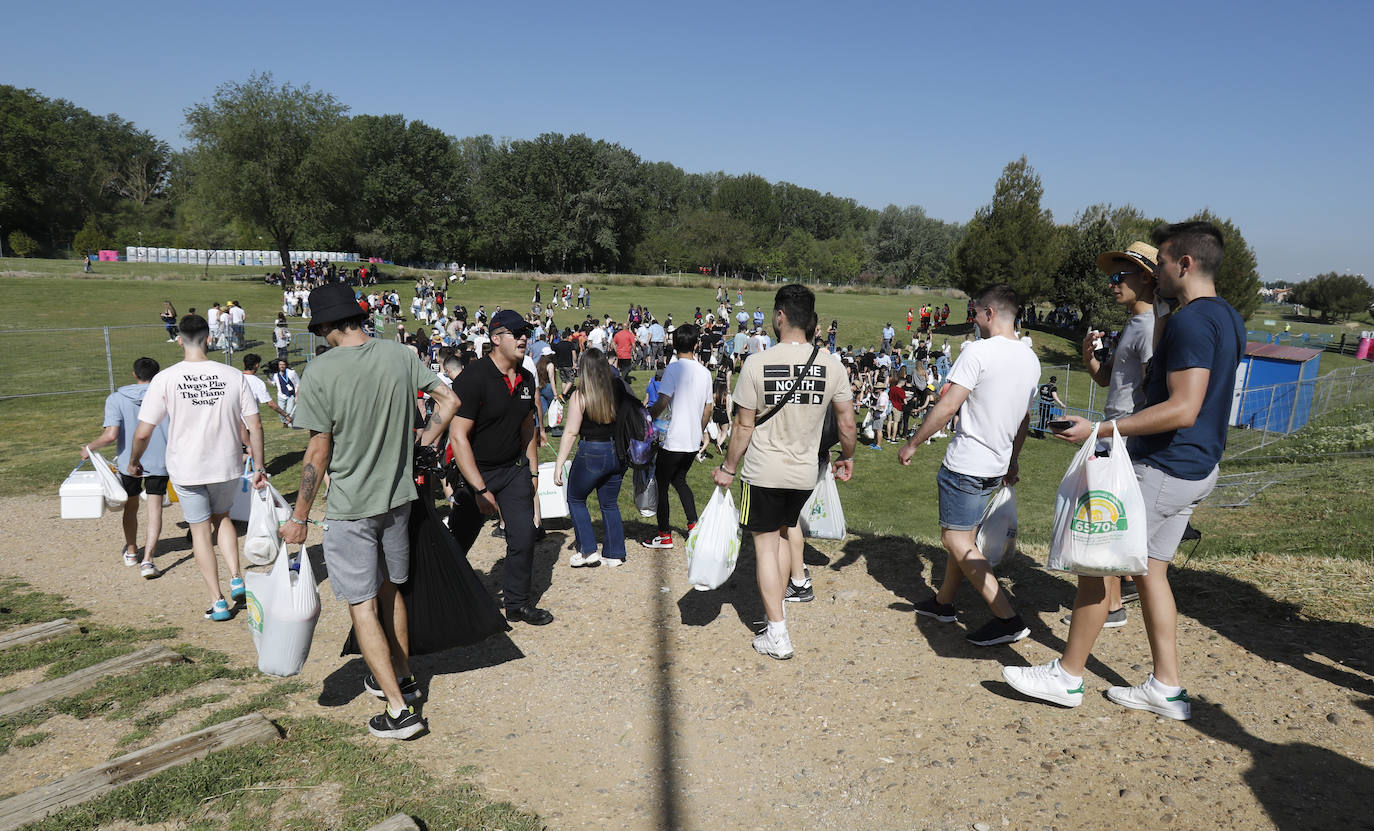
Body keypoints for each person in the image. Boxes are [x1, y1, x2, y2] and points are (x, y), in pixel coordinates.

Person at [1003, 221, 1245, 721]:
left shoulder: (1191, 322)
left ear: (1185, 264)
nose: (1156, 271)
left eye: (1161, 262)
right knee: (1152, 571)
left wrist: (1102, 430)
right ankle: (1166, 686)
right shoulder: (1227, 317)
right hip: (1197, 467)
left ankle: (1067, 678)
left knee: (1097, 564)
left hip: (1164, 465)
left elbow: (1183, 408)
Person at [283, 281, 458, 740]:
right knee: (391, 591)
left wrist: (298, 517)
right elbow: (450, 400)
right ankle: (402, 678)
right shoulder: (400, 354)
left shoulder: (319, 371)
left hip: (350, 508)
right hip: (398, 500)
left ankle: (400, 713)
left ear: (324, 326)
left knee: (362, 606)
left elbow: (317, 453)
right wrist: (425, 441)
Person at [713, 285, 857, 660]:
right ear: (811, 320)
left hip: (763, 472)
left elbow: (743, 426)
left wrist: (729, 467)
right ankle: (774, 614)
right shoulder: (832, 364)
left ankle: (777, 632)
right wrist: (848, 457)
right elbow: (847, 422)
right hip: (803, 473)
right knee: (780, 539)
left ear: (779, 316)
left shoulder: (757, 363)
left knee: (763, 547)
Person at [897, 284, 1039, 646]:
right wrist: (1013, 459)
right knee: (965, 537)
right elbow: (1023, 420)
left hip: (967, 463)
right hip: (995, 465)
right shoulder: (1030, 359)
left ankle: (1006, 618)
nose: (972, 319)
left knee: (954, 538)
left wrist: (913, 442)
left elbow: (947, 406)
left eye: (975, 312)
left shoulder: (978, 352)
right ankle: (943, 602)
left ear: (989, 313)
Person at [130, 314, 266, 623]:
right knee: (223, 518)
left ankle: (218, 601)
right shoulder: (233, 374)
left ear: (179, 340)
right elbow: (254, 425)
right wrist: (258, 465)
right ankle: (236, 576)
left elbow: (142, 432)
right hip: (227, 465)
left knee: (200, 532)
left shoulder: (166, 378)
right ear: (209, 339)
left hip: (188, 468)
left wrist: (133, 460)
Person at [1061, 241, 1159, 628]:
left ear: (1148, 278)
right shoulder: (1133, 325)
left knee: (1105, 523)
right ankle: (1113, 605)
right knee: (1106, 522)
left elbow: (1154, 394)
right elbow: (1111, 382)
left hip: (1127, 440)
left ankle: (1111, 605)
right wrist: (1090, 359)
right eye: (1110, 277)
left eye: (1121, 276)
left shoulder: (1150, 328)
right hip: (1114, 435)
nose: (1112, 284)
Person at [449, 310, 552, 625]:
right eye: (516, 332)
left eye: (527, 333)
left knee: (523, 537)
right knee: (457, 542)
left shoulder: (526, 376)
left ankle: (517, 604)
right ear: (495, 339)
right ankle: (443, 597)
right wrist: (479, 489)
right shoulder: (474, 377)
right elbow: (458, 436)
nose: (524, 338)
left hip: (513, 470)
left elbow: (527, 427)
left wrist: (532, 472)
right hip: (475, 472)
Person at [81, 357, 169, 579]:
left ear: (134, 374)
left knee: (130, 507)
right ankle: (148, 559)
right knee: (155, 509)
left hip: (128, 463)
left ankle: (131, 550)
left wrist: (89, 447)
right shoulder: (166, 397)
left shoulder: (116, 398)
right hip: (161, 461)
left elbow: (111, 435)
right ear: (157, 376)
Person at [552, 347, 628, 567]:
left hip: (593, 451)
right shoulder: (617, 389)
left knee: (575, 498)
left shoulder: (580, 394)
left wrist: (559, 465)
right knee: (610, 503)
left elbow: (571, 432)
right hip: (617, 452)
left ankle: (588, 551)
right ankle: (614, 553)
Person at [642, 325, 713, 549]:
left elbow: (662, 402)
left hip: (674, 439)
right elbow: (708, 409)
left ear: (674, 344)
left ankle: (664, 534)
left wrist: (647, 417)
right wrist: (699, 430)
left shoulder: (673, 369)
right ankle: (693, 526)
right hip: (692, 441)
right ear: (696, 345)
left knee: (662, 484)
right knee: (680, 480)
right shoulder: (705, 372)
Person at [241, 353, 292, 428]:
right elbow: (271, 404)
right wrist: (286, 415)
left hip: (233, 422)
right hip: (249, 424)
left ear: (244, 364)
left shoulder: (235, 378)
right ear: (256, 365)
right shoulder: (258, 382)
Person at [269, 358, 301, 428]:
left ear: (286, 365)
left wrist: (297, 395)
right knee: (280, 411)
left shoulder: (292, 372)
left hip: (291, 394)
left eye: (283, 364)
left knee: (289, 410)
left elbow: (298, 384)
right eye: (280, 364)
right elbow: (273, 384)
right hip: (281, 395)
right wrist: (268, 378)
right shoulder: (276, 375)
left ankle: (289, 423)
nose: (281, 366)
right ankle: (284, 422)